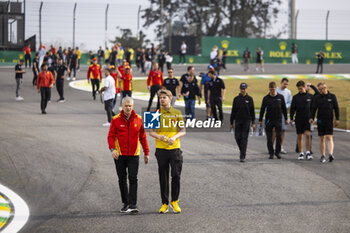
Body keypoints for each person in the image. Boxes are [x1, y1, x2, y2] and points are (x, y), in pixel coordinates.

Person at [107, 96, 150, 213]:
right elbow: (110, 136)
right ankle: (125, 203)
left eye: (130, 106)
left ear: (132, 107)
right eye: (126, 105)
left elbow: (143, 137)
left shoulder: (139, 119)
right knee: (122, 179)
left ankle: (133, 204)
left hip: (134, 155)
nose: (128, 108)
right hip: (119, 155)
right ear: (122, 106)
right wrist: (112, 149)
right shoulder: (115, 119)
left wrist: (146, 152)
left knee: (133, 178)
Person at [149, 89, 186, 214]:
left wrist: (174, 137)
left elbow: (183, 130)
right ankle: (164, 203)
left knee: (176, 175)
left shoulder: (177, 112)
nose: (162, 99)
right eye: (160, 97)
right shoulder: (155, 113)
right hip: (161, 150)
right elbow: (150, 131)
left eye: (165, 97)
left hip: (175, 149)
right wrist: (160, 137)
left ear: (170, 99)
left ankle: (174, 201)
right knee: (163, 177)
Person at [310, 82, 339, 163]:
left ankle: (330, 154)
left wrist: (337, 119)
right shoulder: (317, 97)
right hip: (320, 120)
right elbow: (313, 109)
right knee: (322, 138)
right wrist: (311, 117)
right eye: (318, 89)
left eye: (320, 89)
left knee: (329, 137)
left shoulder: (332, 96)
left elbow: (336, 108)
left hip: (329, 120)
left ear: (324, 88)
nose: (319, 91)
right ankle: (323, 155)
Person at [258, 82, 288, 159]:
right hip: (269, 120)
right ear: (269, 89)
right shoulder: (266, 98)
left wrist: (286, 119)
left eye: (273, 89)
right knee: (269, 138)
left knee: (279, 137)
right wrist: (260, 120)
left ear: (276, 88)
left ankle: (277, 152)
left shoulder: (280, 97)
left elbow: (284, 108)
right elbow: (262, 109)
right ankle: (271, 153)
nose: (272, 91)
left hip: (278, 120)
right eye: (271, 89)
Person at [230, 83, 256, 162]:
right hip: (237, 121)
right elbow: (233, 111)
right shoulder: (236, 99)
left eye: (244, 89)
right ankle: (242, 150)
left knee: (244, 138)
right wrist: (231, 123)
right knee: (237, 137)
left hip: (246, 121)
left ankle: (242, 155)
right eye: (241, 89)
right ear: (240, 89)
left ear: (246, 89)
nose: (243, 90)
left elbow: (252, 111)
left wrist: (253, 122)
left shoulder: (250, 99)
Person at [290, 80, 313, 160]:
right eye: (298, 89)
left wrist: (312, 117)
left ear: (304, 87)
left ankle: (308, 152)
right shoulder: (295, 97)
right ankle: (301, 153)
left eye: (300, 88)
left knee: (308, 135)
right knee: (300, 136)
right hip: (299, 119)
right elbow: (292, 109)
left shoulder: (310, 96)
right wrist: (291, 119)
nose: (299, 90)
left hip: (308, 119)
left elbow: (314, 108)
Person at [276, 78, 292, 154]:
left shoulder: (288, 92)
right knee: (274, 130)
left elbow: (289, 102)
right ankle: (273, 146)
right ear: (281, 83)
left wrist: (285, 106)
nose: (286, 85)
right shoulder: (276, 90)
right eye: (284, 83)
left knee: (283, 130)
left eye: (287, 84)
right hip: (275, 112)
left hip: (283, 112)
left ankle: (281, 146)